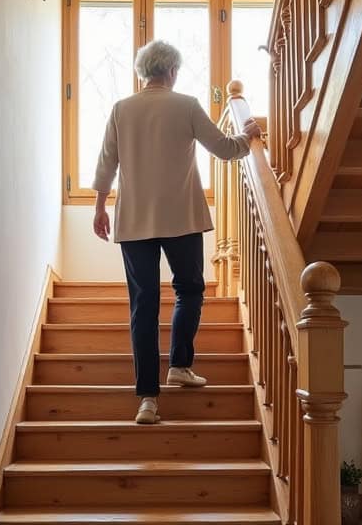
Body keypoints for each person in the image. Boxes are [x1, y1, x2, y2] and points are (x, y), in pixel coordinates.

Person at [91, 40, 262, 424]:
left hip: (134, 220)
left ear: (143, 71)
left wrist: (101, 207)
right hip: (181, 218)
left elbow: (106, 163)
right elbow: (223, 148)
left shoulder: (122, 109)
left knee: (143, 305)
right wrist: (247, 135)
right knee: (190, 290)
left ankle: (148, 400)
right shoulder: (185, 104)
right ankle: (180, 365)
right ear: (172, 71)